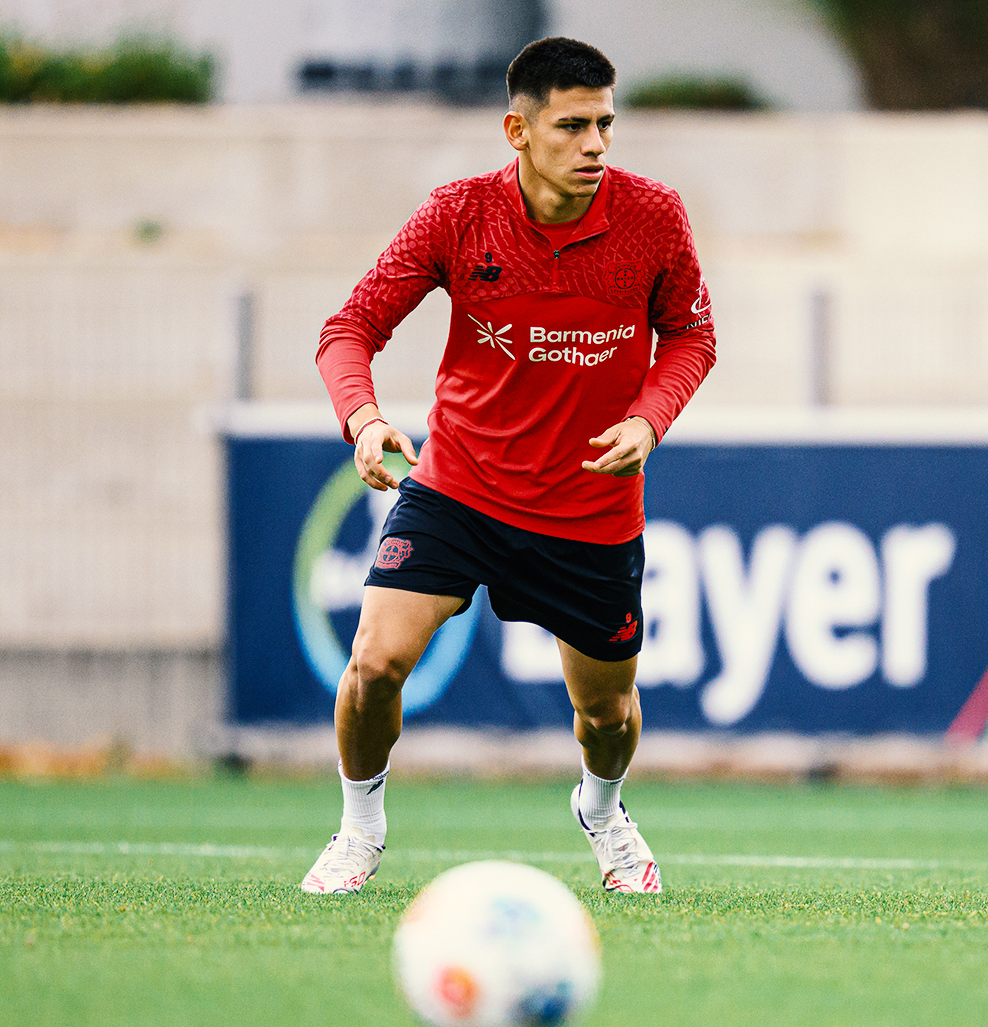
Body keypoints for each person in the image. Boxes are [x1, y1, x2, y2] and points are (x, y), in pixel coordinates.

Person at [299, 36, 715, 896]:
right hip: (459, 491)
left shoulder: (653, 216)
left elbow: (691, 335)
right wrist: (365, 419)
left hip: (590, 509)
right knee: (373, 663)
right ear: (517, 131)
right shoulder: (459, 214)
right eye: (572, 126)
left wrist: (650, 417)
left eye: (605, 123)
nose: (596, 144)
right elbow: (350, 330)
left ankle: (602, 808)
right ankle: (358, 829)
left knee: (605, 715)